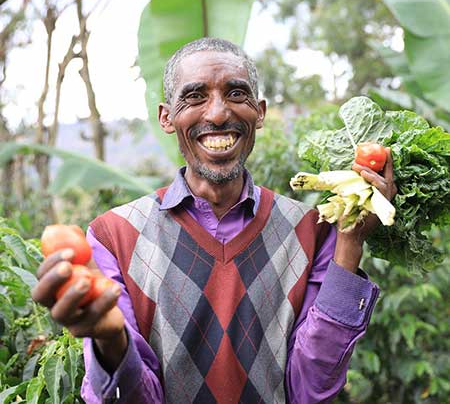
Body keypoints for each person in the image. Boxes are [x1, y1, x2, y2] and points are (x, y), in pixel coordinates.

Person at [32, 37, 397, 404]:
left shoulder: (311, 229)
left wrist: (350, 243)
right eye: (194, 97)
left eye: (237, 94)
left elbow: (309, 389)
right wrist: (111, 340)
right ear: (166, 117)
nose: (219, 114)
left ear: (260, 112)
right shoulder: (114, 236)